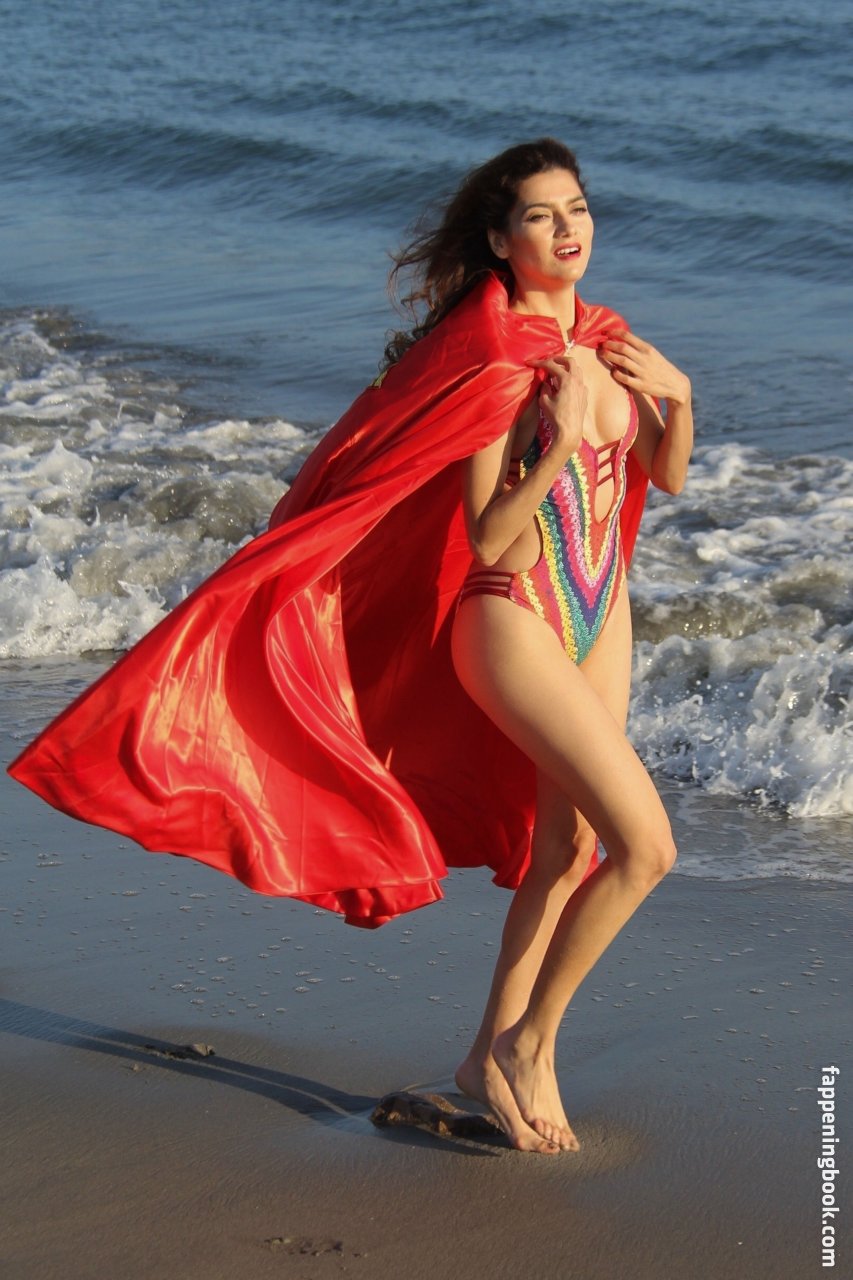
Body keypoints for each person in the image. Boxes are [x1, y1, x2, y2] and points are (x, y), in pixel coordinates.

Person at [8, 139, 692, 1155]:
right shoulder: (493, 360)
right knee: (647, 848)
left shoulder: (606, 339)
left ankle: (485, 1055)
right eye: (541, 215)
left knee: (568, 850)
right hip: (513, 611)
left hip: (601, 608)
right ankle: (528, 1044)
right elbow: (489, 536)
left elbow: (662, 476)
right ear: (500, 240)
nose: (567, 228)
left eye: (577, 208)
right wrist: (549, 447)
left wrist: (680, 396)